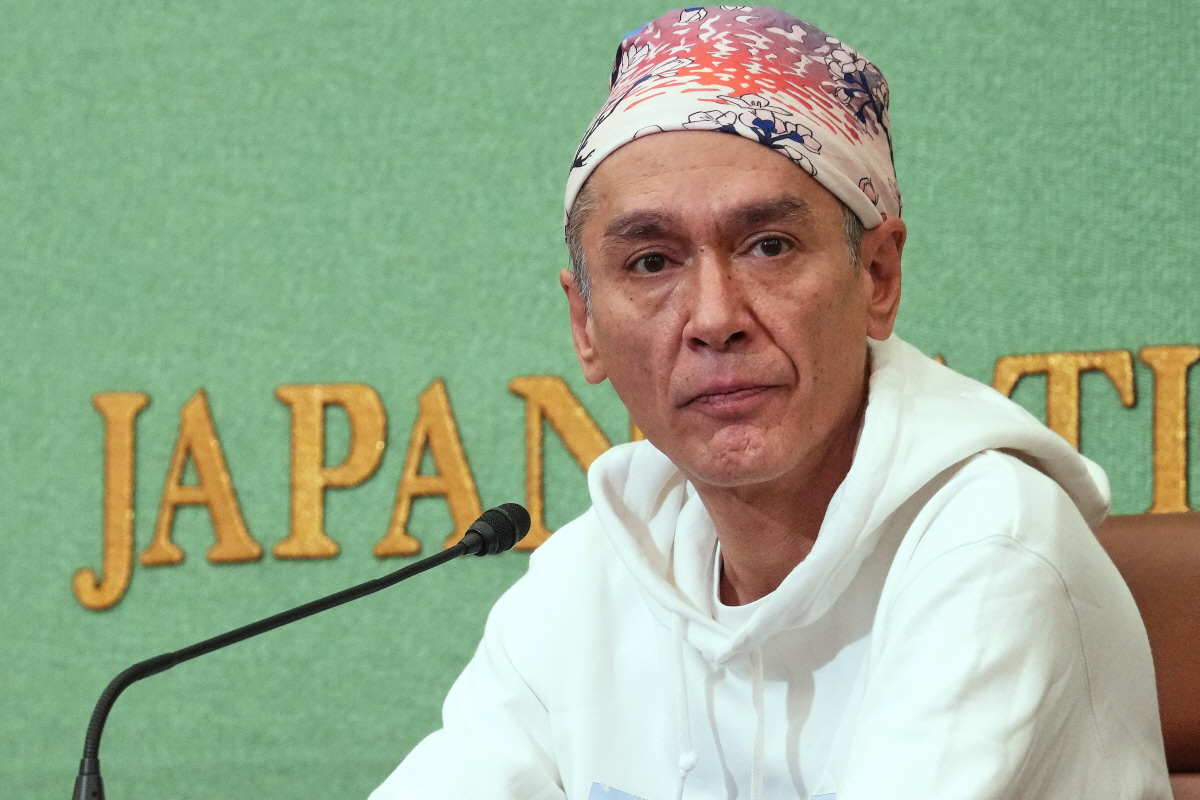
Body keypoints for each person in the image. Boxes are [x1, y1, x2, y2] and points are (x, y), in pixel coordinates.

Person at [372, 7, 1171, 799]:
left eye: (769, 247)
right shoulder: (585, 582)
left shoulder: (988, 543)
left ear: (878, 277)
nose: (714, 318)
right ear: (585, 325)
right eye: (651, 262)